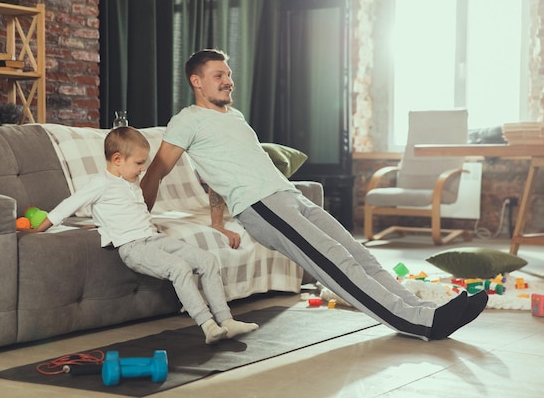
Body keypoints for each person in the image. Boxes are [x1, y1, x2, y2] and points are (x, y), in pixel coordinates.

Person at [140, 49, 488, 341]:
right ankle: (420, 325)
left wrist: (218, 222)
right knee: (336, 262)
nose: (228, 80)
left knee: (359, 255)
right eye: (218, 75)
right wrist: (141, 219)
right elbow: (157, 170)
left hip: (289, 196)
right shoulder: (186, 121)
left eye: (229, 74)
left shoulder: (235, 116)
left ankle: (426, 310)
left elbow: (215, 174)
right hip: (261, 206)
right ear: (196, 81)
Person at [27, 126, 259, 344]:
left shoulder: (130, 181)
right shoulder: (100, 184)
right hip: (133, 247)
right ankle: (208, 325)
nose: (143, 169)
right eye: (139, 163)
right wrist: (39, 229)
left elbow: (125, 213)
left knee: (208, 261)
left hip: (154, 238)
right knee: (179, 268)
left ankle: (227, 320)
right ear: (117, 160)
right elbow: (68, 206)